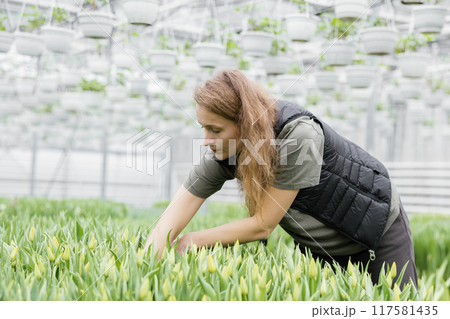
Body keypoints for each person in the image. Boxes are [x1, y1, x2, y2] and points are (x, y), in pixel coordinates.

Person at [143, 69, 418, 289]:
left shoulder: (298, 135)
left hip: (376, 233)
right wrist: (149, 256)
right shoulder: (226, 148)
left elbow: (263, 225)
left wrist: (189, 241)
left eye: (214, 130)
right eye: (204, 129)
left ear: (245, 123)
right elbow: (177, 209)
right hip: (321, 251)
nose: (205, 141)